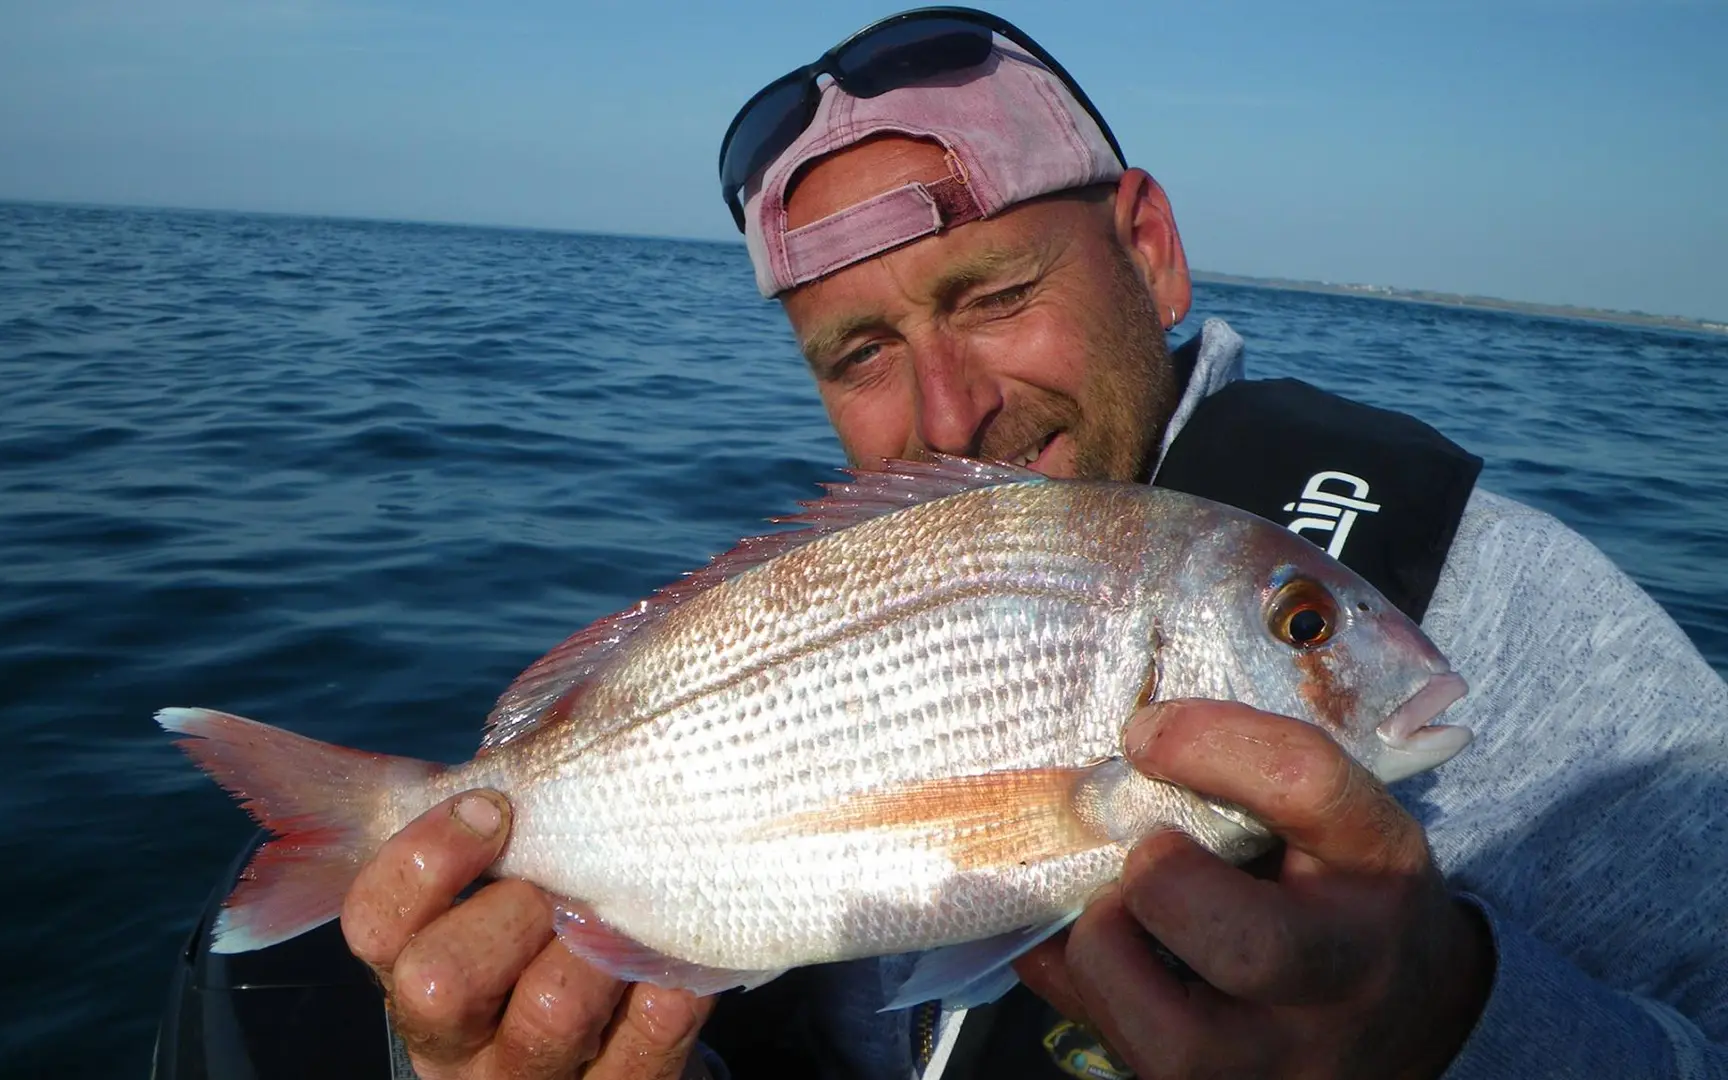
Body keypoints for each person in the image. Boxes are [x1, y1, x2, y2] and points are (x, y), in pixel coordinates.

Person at [337, 8, 1728, 1078]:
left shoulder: (1507, 611)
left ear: (1150, 250)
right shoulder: (797, 632)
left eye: (998, 291)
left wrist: (1451, 1029)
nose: (953, 412)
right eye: (860, 351)